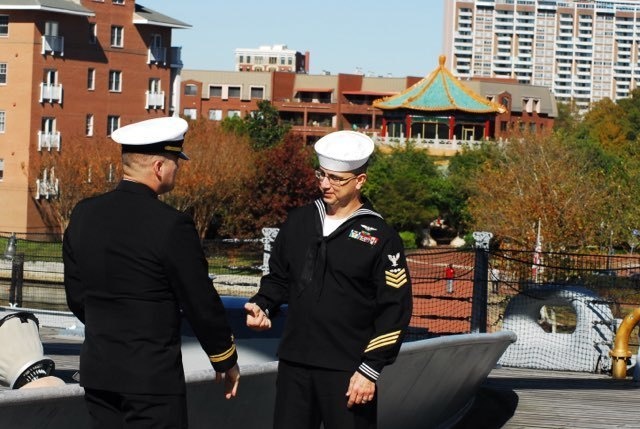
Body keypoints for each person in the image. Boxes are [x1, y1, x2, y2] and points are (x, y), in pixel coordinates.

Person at [63, 117, 240, 429]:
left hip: (99, 373)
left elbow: (77, 296)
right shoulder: (172, 224)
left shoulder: (83, 214)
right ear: (159, 166)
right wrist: (224, 358)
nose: (177, 170)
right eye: (175, 163)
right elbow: (200, 301)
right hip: (151, 379)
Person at [245, 130, 412, 429]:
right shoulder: (299, 222)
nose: (325, 184)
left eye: (336, 178)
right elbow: (279, 278)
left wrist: (370, 369)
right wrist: (263, 304)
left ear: (360, 180)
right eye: (321, 174)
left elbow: (395, 309)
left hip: (350, 369)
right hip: (295, 362)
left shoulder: (380, 236)